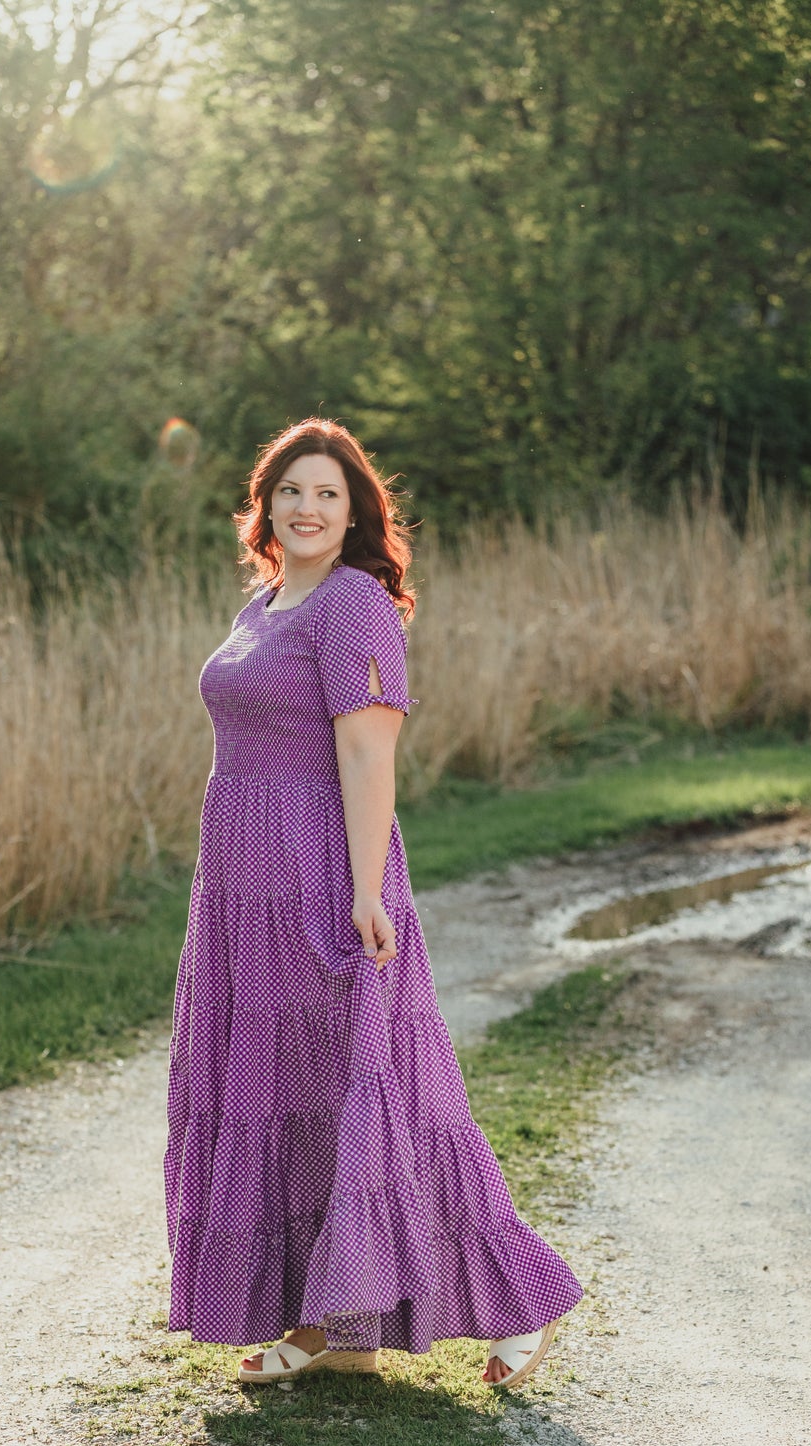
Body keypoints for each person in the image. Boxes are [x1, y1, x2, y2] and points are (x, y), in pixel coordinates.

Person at [162, 418, 584, 1387]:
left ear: (355, 514)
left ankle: (518, 1301)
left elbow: (366, 750)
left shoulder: (351, 601)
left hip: (321, 874)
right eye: (291, 491)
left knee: (379, 1089)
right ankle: (320, 1318)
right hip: (240, 886)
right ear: (265, 504)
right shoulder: (267, 602)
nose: (307, 508)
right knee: (282, 1087)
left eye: (328, 494)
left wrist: (362, 888)